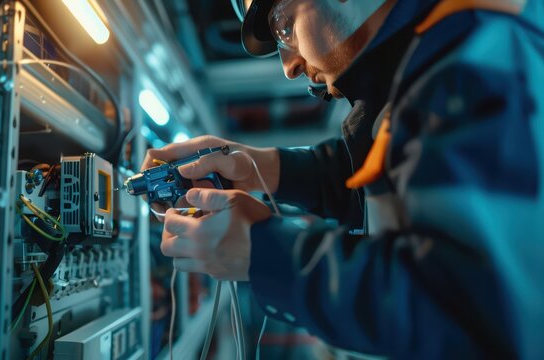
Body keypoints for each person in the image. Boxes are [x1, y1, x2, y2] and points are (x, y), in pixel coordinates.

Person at [142, 0, 544, 358]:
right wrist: (256, 167)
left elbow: (467, 318)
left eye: (284, 25)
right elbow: (377, 180)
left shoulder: (476, 63)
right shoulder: (445, 57)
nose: (289, 66)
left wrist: (263, 253)